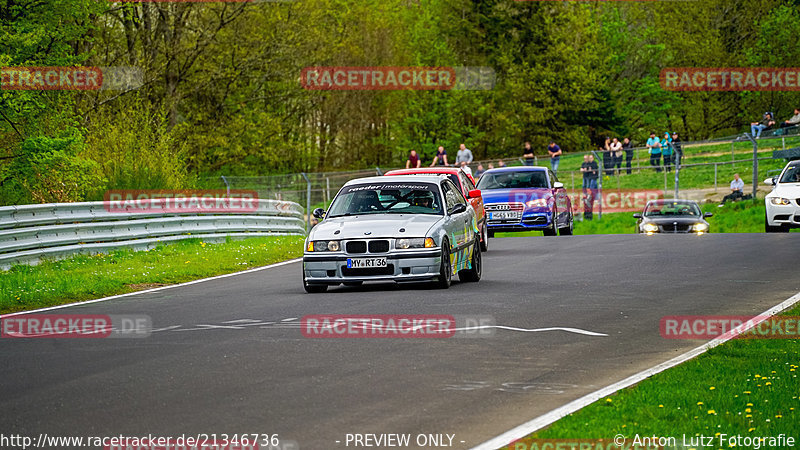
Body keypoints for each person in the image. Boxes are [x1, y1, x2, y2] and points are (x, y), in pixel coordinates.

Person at [580, 154, 599, 220]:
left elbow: (594, 171)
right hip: (589, 177)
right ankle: (588, 196)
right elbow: (587, 170)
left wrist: (591, 170)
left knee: (592, 187)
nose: (590, 159)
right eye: (589, 158)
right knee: (588, 187)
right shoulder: (586, 163)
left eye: (591, 158)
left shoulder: (594, 163)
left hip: (593, 177)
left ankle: (594, 197)